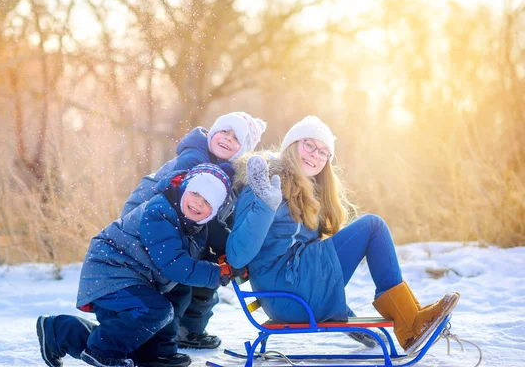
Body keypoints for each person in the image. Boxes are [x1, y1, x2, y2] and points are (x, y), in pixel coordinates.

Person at [226, 115, 460, 354]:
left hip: (293, 291)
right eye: (309, 145)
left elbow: (306, 254)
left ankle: (412, 318)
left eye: (323, 152)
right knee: (372, 227)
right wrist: (266, 204)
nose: (315, 154)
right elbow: (236, 256)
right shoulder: (263, 184)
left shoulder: (305, 192)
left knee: (371, 228)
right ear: (291, 145)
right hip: (286, 293)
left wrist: (344, 315)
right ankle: (410, 323)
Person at [36, 163, 247, 367]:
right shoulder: (160, 212)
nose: (198, 203)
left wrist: (232, 262)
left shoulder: (198, 224)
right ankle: (102, 352)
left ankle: (150, 353)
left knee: (166, 305)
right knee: (154, 310)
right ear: (184, 188)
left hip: (138, 278)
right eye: (195, 193)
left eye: (208, 202)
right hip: (111, 271)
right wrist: (217, 272)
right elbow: (174, 264)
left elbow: (213, 248)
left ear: (214, 210)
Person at [121, 111, 267, 350]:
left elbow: (216, 217)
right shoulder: (194, 160)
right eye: (223, 131)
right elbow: (198, 214)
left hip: (177, 225)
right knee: (188, 271)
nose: (227, 138)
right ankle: (165, 335)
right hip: (146, 222)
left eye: (236, 138)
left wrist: (227, 251)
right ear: (212, 132)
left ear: (243, 150)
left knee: (208, 269)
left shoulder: (228, 173)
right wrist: (224, 251)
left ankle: (185, 330)